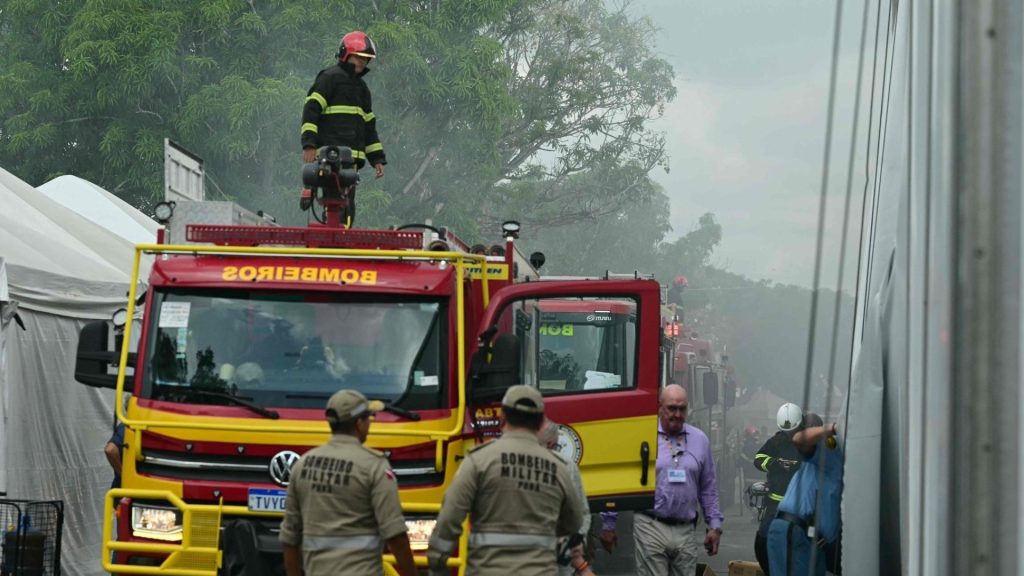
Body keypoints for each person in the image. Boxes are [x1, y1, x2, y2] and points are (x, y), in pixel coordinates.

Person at [427, 385, 584, 575]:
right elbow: (573, 521)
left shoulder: (479, 461)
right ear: (539, 421)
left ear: (502, 417)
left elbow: (450, 517)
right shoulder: (559, 468)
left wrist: (437, 562)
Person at [278, 390, 416, 576]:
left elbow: (290, 537)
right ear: (359, 424)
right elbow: (396, 535)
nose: (370, 423)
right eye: (368, 418)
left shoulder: (303, 464)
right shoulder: (373, 466)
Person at [599, 384, 724, 576]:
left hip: (685, 529)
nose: (677, 414)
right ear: (659, 407)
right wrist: (609, 523)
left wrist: (714, 525)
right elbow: (620, 480)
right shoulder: (642, 436)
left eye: (682, 409)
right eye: (671, 408)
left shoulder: (700, 439)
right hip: (650, 525)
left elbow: (708, 487)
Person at [766, 412, 843, 576]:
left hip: (813, 542)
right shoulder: (829, 452)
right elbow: (800, 439)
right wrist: (835, 428)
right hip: (796, 533)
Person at [301, 31, 386, 177]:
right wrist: (309, 145)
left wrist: (377, 159)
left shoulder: (363, 89)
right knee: (325, 194)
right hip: (328, 158)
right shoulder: (329, 78)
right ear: (345, 54)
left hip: (352, 164)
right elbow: (311, 110)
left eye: (365, 58)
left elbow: (369, 129)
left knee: (347, 198)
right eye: (358, 57)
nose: (362, 61)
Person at [751, 403, 805, 575]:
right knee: (764, 539)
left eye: (793, 431)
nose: (790, 435)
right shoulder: (776, 442)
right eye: (787, 431)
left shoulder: (809, 443)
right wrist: (775, 463)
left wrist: (797, 466)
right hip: (774, 504)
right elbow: (759, 458)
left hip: (801, 506)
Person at [538, 419, 595, 576]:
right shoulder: (567, 467)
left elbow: (582, 513)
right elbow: (582, 513)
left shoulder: (567, 466)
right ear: (550, 444)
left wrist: (576, 544)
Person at [104, 421, 125, 490]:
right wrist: (124, 477)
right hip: (126, 491)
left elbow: (110, 450)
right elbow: (110, 450)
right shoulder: (130, 425)